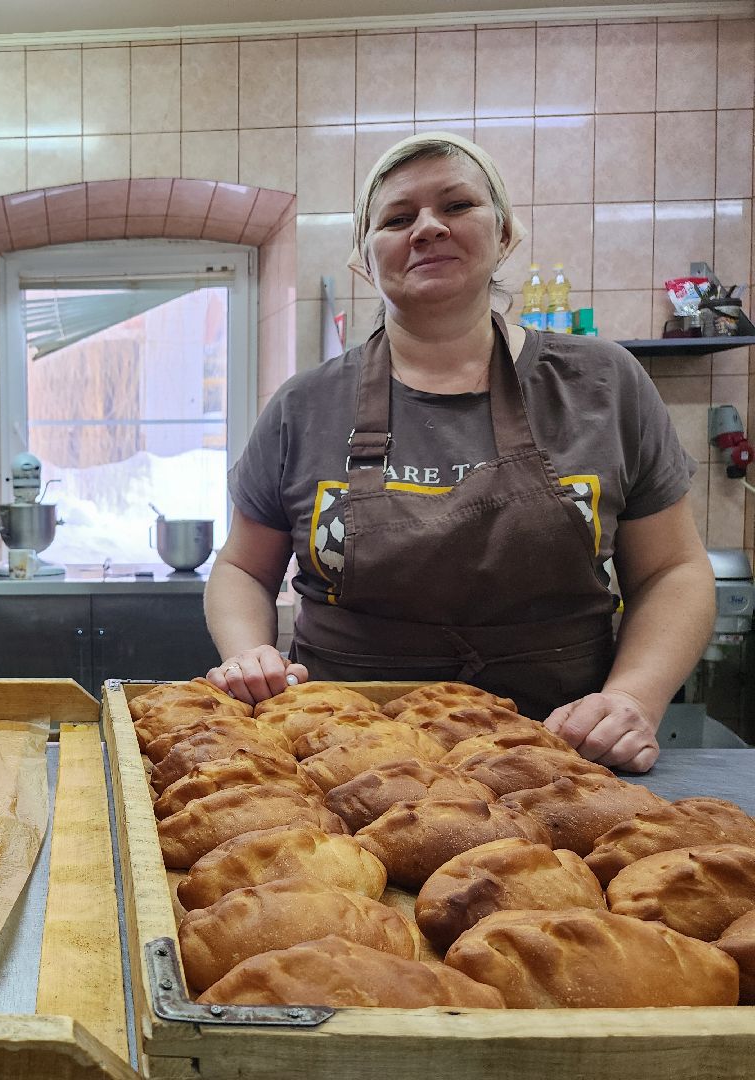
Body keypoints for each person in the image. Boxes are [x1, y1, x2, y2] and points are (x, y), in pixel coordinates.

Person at [203, 131, 714, 774]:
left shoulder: (604, 385)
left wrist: (631, 698)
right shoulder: (302, 406)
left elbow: (673, 571)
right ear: (366, 259)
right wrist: (248, 654)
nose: (427, 228)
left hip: (562, 762)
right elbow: (243, 569)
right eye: (397, 218)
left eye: (457, 205)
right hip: (341, 763)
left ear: (505, 234)